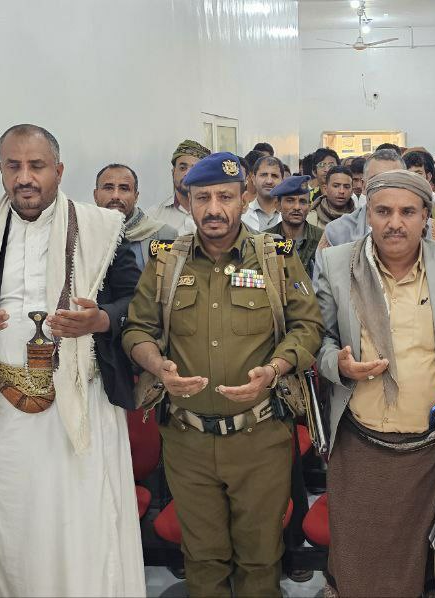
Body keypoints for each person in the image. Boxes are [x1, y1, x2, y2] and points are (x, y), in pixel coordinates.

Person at [0, 124, 145, 596]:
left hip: (79, 407)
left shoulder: (100, 229)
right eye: (14, 166)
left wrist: (101, 321)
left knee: (77, 524)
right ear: (1, 170)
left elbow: (138, 304)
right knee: (9, 523)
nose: (24, 178)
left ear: (59, 171)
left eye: (36, 166)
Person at [124, 152, 322, 597]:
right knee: (202, 558)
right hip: (187, 441)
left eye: (225, 197)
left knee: (260, 557)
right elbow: (137, 329)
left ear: (244, 197)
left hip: (260, 439)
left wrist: (274, 369)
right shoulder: (166, 262)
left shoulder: (274, 258)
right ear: (187, 201)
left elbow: (308, 327)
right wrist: (156, 365)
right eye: (203, 198)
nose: (214, 209)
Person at [313, 170, 435, 596]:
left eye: (407, 212)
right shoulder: (337, 263)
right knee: (357, 562)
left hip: (433, 450)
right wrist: (336, 363)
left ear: (425, 217)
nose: (394, 222)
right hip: (359, 446)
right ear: (368, 215)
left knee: (428, 567)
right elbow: (320, 338)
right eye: (383, 211)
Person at [316, 149, 435, 255]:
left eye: (395, 180)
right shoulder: (336, 233)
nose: (386, 189)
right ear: (363, 186)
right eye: (377, 181)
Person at [94, 162, 178, 267]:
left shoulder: (163, 235)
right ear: (95, 195)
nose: (115, 196)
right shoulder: (82, 234)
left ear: (136, 197)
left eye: (124, 189)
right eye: (108, 188)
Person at [265, 175, 324, 276]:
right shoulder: (266, 239)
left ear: (309, 207)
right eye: (290, 200)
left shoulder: (321, 238)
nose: (297, 207)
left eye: (302, 202)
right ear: (278, 205)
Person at [152, 139, 211, 235]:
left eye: (194, 169)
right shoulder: (154, 216)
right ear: (173, 172)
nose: (187, 173)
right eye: (183, 168)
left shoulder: (216, 213)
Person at [242, 155, 286, 232]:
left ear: (282, 181)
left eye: (274, 176)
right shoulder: (242, 215)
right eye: (264, 175)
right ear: (253, 179)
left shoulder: (290, 215)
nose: (269, 181)